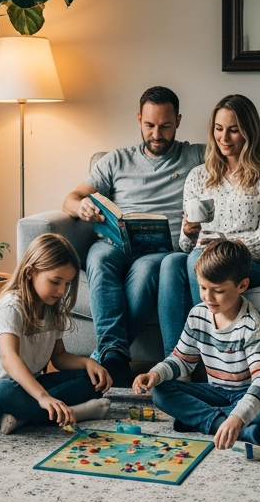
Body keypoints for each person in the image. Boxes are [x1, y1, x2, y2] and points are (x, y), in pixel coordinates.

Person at [61, 86, 204, 385]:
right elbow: (71, 197)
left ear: (178, 121)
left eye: (165, 126)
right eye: (149, 125)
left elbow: (243, 153)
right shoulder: (116, 160)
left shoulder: (196, 155)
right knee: (97, 258)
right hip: (114, 244)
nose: (156, 134)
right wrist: (81, 206)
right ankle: (114, 354)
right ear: (139, 119)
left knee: (146, 270)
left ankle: (109, 356)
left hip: (160, 252)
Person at [0, 233, 113, 433]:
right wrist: (43, 397)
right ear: (30, 272)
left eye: (66, 284)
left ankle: (22, 415)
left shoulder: (52, 308)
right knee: (3, 392)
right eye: (55, 281)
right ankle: (73, 413)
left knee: (89, 381)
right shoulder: (10, 306)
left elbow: (59, 357)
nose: (61, 290)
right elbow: (9, 358)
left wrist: (89, 363)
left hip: (29, 387)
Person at [133, 238, 260, 449]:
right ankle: (227, 426)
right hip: (214, 393)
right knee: (161, 391)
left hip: (244, 393)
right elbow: (181, 360)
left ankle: (213, 422)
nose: (208, 297)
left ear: (242, 285)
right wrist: (155, 374)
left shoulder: (251, 325)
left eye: (218, 290)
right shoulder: (198, 314)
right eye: (203, 287)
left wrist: (238, 416)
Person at [161, 94, 260, 353]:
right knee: (171, 261)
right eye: (219, 129)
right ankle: (174, 362)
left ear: (249, 132)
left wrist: (227, 245)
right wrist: (188, 232)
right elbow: (185, 245)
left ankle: (208, 354)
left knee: (196, 259)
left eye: (233, 130)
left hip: (250, 263)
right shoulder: (199, 175)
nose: (224, 137)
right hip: (201, 255)